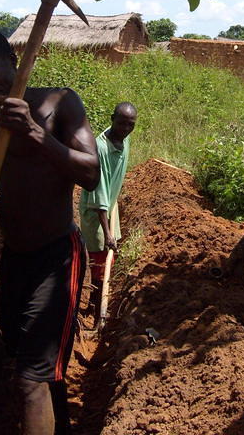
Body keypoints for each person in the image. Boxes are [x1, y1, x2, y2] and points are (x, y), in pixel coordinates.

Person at [0, 30, 100, 435]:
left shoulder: (60, 104)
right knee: (29, 364)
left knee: (31, 378)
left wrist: (37, 135)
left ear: (13, 61)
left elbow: (91, 174)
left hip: (57, 259)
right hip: (13, 263)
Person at [79, 102, 137, 321]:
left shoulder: (124, 139)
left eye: (130, 124)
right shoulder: (100, 149)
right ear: (112, 118)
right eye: (121, 123)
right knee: (100, 259)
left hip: (109, 207)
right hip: (96, 212)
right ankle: (95, 308)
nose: (125, 128)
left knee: (107, 258)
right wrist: (108, 233)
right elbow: (99, 194)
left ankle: (97, 303)